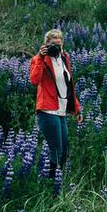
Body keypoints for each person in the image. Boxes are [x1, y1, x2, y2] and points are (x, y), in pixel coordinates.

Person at [29, 27, 80, 177]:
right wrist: (40, 57)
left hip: (61, 110)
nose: (57, 48)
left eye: (59, 45)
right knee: (56, 150)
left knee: (64, 148)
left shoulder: (64, 58)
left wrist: (76, 109)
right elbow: (34, 80)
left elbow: (68, 86)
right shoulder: (39, 60)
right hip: (47, 110)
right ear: (46, 45)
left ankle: (58, 180)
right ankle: (51, 183)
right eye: (53, 45)